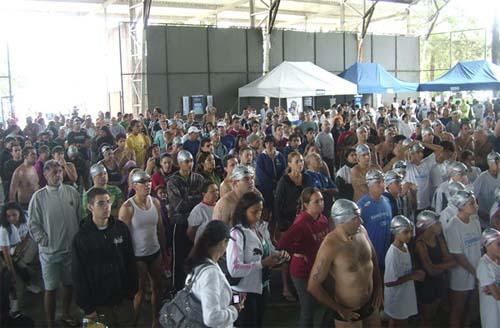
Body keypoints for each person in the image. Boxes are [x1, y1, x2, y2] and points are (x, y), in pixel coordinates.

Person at [307, 199, 383, 327]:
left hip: (370, 304)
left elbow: (373, 258)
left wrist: (379, 286)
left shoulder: (362, 231)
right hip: (349, 311)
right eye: (356, 218)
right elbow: (313, 286)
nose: (361, 221)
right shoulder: (330, 245)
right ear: (342, 221)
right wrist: (339, 309)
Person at [72, 187, 138, 327]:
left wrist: (131, 291)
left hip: (123, 300)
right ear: (90, 207)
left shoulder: (120, 229)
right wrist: (88, 307)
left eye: (108, 202)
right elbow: (79, 275)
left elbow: (130, 261)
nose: (107, 206)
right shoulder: (82, 238)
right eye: (101, 203)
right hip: (98, 304)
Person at [28, 160, 82, 327]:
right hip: (50, 253)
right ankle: (51, 322)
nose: (58, 175)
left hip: (70, 250)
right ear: (45, 175)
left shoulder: (72, 192)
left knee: (69, 285)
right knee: (50, 289)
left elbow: (79, 217)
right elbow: (33, 224)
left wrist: (76, 239)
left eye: (59, 171)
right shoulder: (39, 197)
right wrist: (45, 241)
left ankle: (65, 313)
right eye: (53, 172)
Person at [226, 192, 289, 327]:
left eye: (260, 210)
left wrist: (279, 255)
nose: (258, 215)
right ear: (243, 211)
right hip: (242, 291)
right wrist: (262, 263)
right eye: (254, 212)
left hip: (261, 287)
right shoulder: (237, 234)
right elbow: (234, 269)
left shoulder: (258, 229)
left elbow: (267, 250)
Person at [119, 170, 166, 327]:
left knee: (157, 288)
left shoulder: (155, 202)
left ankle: (155, 320)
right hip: (138, 255)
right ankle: (135, 322)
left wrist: (163, 249)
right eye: (143, 182)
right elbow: (122, 237)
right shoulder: (127, 207)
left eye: (149, 181)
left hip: (155, 251)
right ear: (134, 185)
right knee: (138, 292)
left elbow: (160, 228)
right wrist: (126, 260)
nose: (147, 185)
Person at [278, 188, 330, 327]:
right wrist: (299, 251)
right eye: (316, 201)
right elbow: (282, 243)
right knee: (308, 309)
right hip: (302, 271)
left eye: (322, 200)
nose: (321, 204)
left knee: (327, 301)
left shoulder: (323, 218)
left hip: (318, 268)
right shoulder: (301, 223)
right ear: (306, 204)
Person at [183, 220, 243, 327]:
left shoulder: (198, 264)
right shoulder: (210, 274)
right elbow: (212, 318)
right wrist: (235, 310)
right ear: (224, 241)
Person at [166, 150, 204, 291]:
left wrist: (190, 199)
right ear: (180, 163)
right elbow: (179, 206)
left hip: (197, 223)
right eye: (187, 162)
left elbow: (204, 198)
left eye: (191, 161)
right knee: (179, 258)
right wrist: (197, 198)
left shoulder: (199, 178)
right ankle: (176, 289)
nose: (190, 164)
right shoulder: (172, 181)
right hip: (180, 223)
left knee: (196, 255)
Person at [444, 190, 482, 328]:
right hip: (461, 275)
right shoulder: (453, 225)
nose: (476, 206)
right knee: (458, 309)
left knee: (471, 308)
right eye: (472, 203)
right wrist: (475, 272)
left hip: (476, 271)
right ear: (461, 206)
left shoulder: (474, 220)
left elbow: (480, 247)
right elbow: (458, 255)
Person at [414, 210, 456, 327]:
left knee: (434, 316)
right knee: (427, 318)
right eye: (437, 223)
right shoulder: (420, 244)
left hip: (438, 281)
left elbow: (451, 261)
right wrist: (444, 267)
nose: (440, 225)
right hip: (426, 285)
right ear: (428, 226)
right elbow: (431, 271)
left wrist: (436, 266)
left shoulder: (439, 238)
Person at [384, 215, 423, 327]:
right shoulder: (393, 254)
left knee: (396, 321)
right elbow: (389, 282)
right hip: (397, 297)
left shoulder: (404, 246)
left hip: (403, 294)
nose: (410, 235)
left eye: (410, 231)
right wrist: (412, 277)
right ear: (396, 233)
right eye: (406, 232)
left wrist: (415, 273)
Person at [357, 169, 393, 269]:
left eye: (383, 181)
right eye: (378, 182)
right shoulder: (361, 206)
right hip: (370, 256)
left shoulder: (387, 201)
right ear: (369, 184)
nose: (382, 185)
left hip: (387, 254)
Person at [255, 135, 286, 213]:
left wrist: (279, 184)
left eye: (271, 143)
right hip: (265, 189)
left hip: (279, 187)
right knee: (267, 210)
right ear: (265, 144)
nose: (269, 145)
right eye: (267, 143)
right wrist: (273, 185)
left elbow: (283, 170)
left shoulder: (280, 156)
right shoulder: (261, 157)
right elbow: (261, 175)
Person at [477, 228, 500, 328]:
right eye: (498, 244)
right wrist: (496, 290)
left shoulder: (497, 260)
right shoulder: (484, 265)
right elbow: (497, 295)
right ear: (488, 245)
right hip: (492, 315)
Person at [9, 146, 39, 211]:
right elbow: (12, 193)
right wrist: (13, 209)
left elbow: (36, 185)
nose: (35, 156)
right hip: (25, 206)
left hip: (36, 203)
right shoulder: (19, 172)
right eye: (32, 154)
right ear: (25, 156)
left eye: (36, 154)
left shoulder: (33, 168)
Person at [474, 151, 500, 222]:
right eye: (497, 163)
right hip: (484, 217)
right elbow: (473, 196)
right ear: (490, 163)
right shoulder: (482, 178)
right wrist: (479, 212)